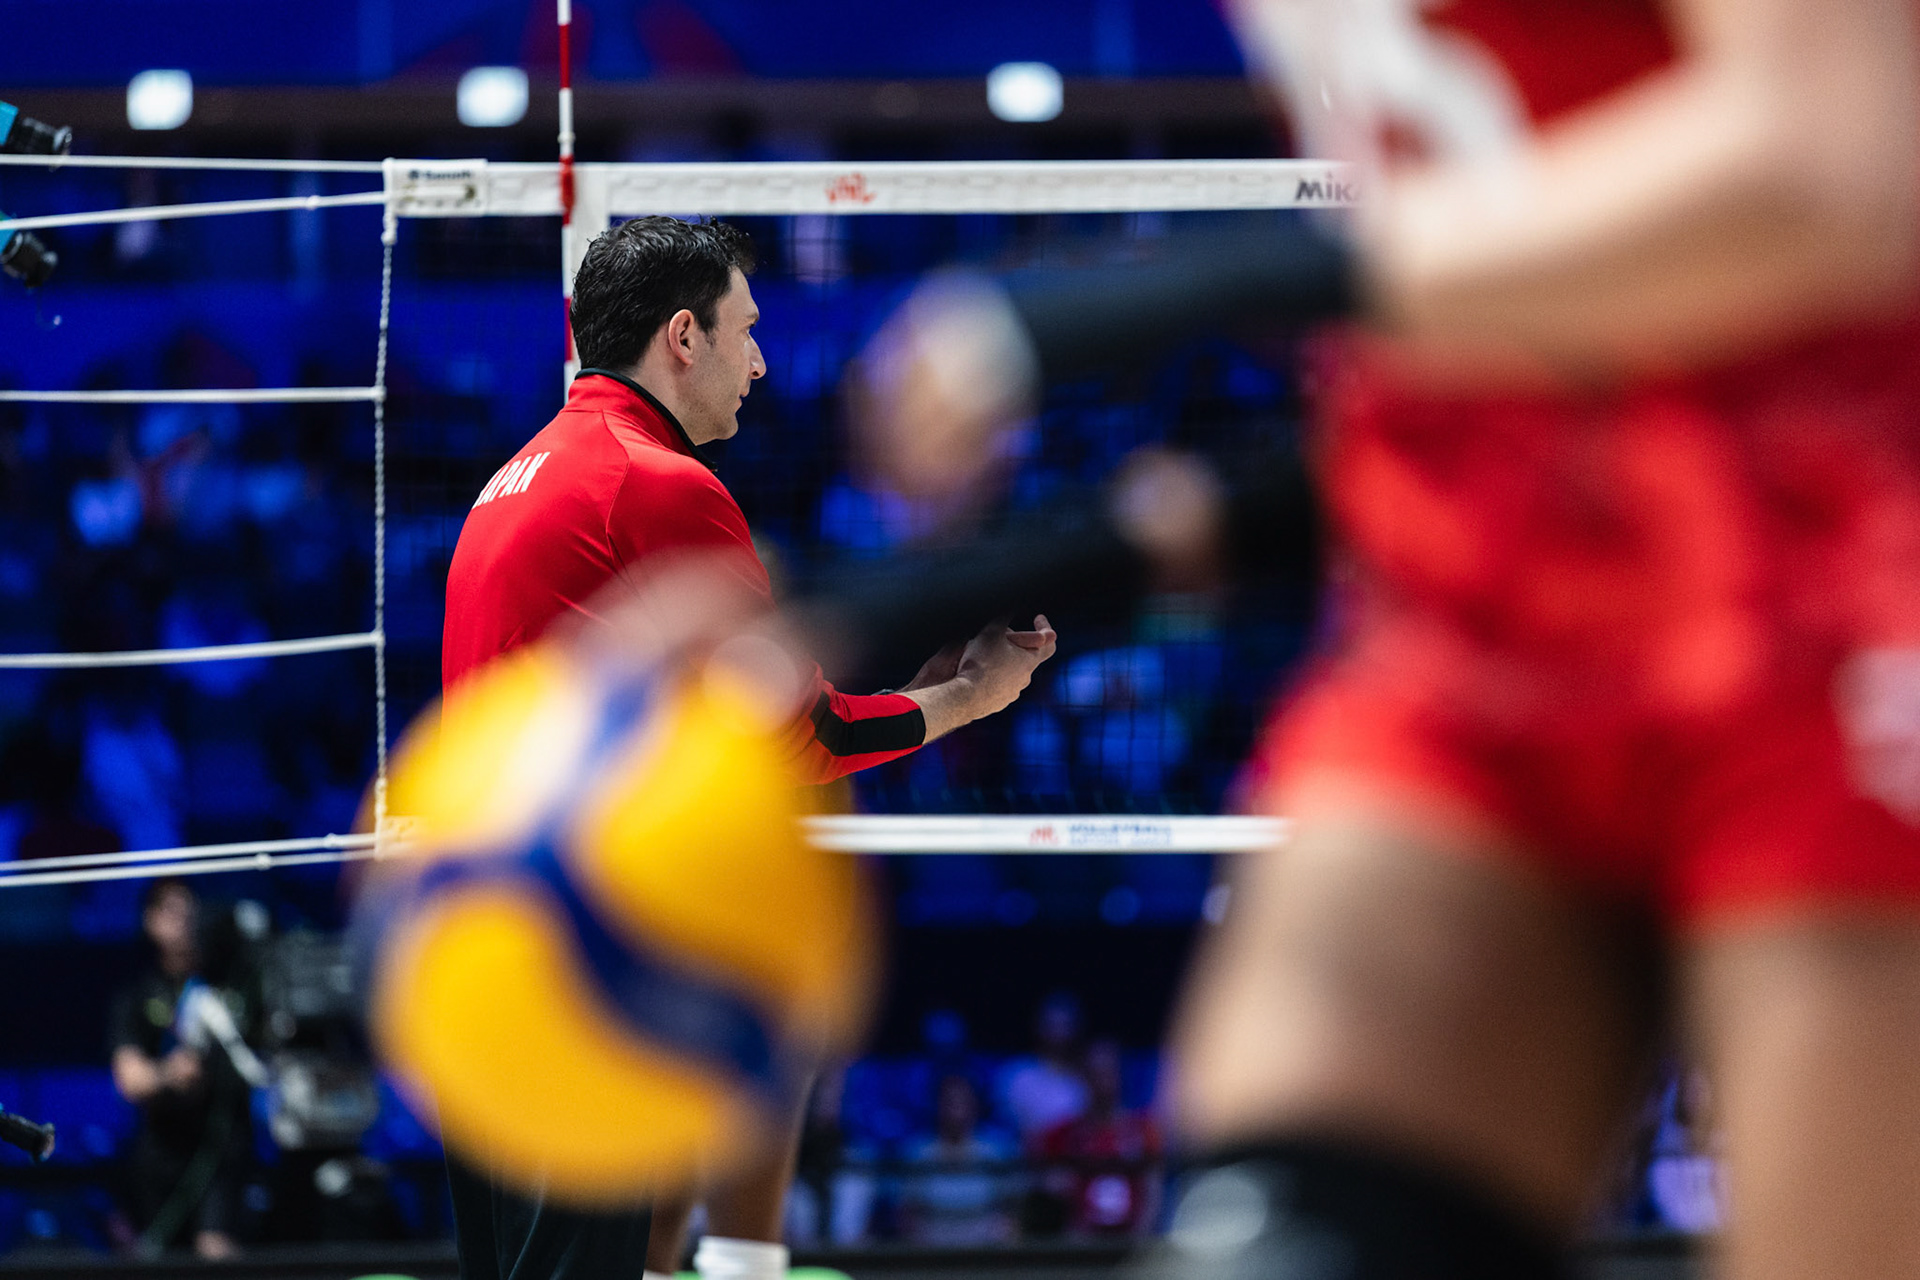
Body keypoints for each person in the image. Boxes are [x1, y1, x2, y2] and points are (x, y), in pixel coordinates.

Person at [846, 1, 1920, 1277]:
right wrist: (867, 611)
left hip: (1851, 601)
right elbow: (1534, 299)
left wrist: (1171, 293)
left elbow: (1846, 158)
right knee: (1276, 1245)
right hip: (1476, 622)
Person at [439, 215, 1056, 1280]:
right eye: (748, 328)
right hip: (587, 950)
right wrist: (964, 696)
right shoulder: (660, 482)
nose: (763, 360)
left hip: (478, 950)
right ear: (685, 335)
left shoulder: (513, 477)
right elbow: (800, 738)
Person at [107, 878, 250, 1260]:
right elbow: (130, 1078)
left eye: (190, 910)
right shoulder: (137, 996)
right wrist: (170, 1073)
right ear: (149, 920)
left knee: (216, 1251)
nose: (184, 920)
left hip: (222, 1148)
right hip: (161, 1154)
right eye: (171, 911)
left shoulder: (234, 984)